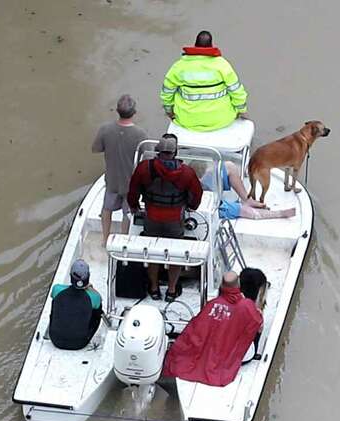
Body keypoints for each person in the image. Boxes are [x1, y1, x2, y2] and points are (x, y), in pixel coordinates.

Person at [127, 134, 203, 301]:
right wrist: (191, 207)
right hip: (175, 220)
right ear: (175, 153)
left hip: (151, 218)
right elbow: (197, 195)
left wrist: (134, 206)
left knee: (153, 253)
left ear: (157, 151)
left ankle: (154, 288)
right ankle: (171, 290)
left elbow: (133, 190)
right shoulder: (187, 173)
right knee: (175, 253)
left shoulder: (144, 168)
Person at [161, 270, 262, 386]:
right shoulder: (247, 306)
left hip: (204, 354)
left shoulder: (211, 304)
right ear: (238, 284)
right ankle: (256, 355)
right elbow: (258, 324)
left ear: (222, 285)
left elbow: (195, 329)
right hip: (226, 358)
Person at [160, 31, 248, 132]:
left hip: (187, 121)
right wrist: (241, 111)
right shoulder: (223, 65)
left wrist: (169, 111)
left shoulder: (179, 67)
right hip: (221, 120)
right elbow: (237, 92)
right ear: (211, 46)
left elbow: (166, 93)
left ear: (195, 45)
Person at [91, 94, 149, 244]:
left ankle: (105, 239)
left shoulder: (105, 129)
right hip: (131, 183)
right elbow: (147, 158)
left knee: (106, 209)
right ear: (134, 112)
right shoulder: (141, 134)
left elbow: (95, 149)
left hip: (112, 180)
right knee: (127, 213)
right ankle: (122, 240)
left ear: (117, 111)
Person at [200, 161, 295, 222]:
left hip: (200, 187)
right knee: (243, 210)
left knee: (230, 167)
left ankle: (247, 199)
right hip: (201, 203)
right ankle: (279, 214)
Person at [48, 259, 102, 350]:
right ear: (88, 277)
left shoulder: (57, 289)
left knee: (58, 302)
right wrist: (89, 289)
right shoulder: (95, 297)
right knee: (96, 310)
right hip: (80, 343)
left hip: (55, 339)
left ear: (70, 276)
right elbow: (98, 306)